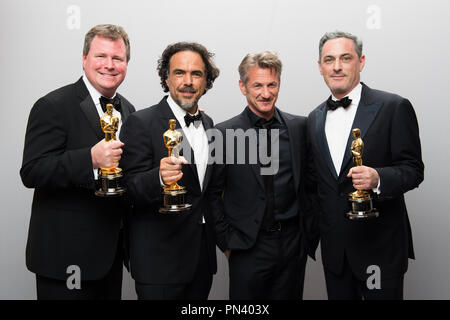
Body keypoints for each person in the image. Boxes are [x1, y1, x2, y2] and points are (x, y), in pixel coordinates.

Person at [20, 24, 135, 299]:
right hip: (63, 260)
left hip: (109, 259)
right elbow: (32, 171)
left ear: (126, 64)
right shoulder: (53, 105)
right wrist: (90, 159)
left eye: (117, 58)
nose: (109, 65)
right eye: (101, 56)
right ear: (84, 59)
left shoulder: (129, 110)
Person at [307, 31, 424, 300]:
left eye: (345, 58)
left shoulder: (394, 106)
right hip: (336, 254)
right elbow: (316, 185)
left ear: (360, 61)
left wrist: (378, 178)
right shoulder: (314, 119)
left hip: (380, 250)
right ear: (320, 66)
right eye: (329, 59)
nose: (336, 66)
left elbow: (413, 169)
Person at [207, 52, 319, 299]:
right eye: (257, 85)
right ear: (242, 86)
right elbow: (212, 195)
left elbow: (311, 186)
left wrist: (307, 235)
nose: (266, 93)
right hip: (247, 247)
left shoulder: (300, 128)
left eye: (272, 85)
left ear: (279, 84)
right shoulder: (223, 133)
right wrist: (227, 243)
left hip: (292, 244)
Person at [119, 42, 220, 300]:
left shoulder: (208, 124)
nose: (188, 81)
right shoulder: (141, 122)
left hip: (201, 261)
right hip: (158, 263)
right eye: (179, 73)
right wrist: (158, 178)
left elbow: (205, 192)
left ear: (206, 80)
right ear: (166, 77)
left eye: (196, 74)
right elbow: (126, 189)